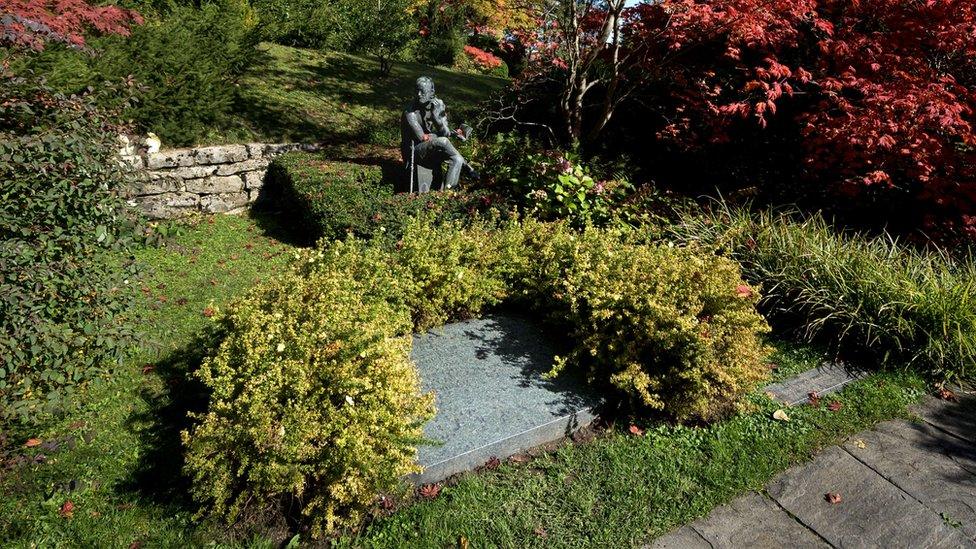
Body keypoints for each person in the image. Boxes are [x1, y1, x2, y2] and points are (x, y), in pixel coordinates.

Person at [400, 76, 477, 191]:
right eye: (417, 90)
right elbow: (423, 138)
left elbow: (445, 132)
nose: (419, 94)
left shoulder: (438, 105)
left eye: (422, 91)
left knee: (457, 159)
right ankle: (468, 168)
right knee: (443, 141)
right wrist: (438, 135)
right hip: (414, 152)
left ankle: (448, 193)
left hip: (433, 148)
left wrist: (437, 118)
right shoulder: (410, 112)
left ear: (431, 92)